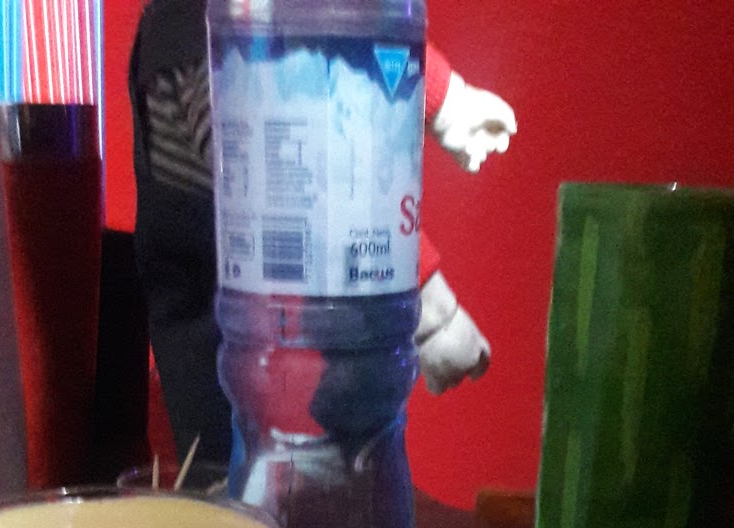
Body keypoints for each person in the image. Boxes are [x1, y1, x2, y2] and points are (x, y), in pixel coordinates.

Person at [129, 0, 516, 462]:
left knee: (340, 464)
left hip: (316, 340)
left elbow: (362, 25)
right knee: (237, 472)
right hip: (224, 350)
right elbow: (294, 193)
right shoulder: (199, 39)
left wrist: (450, 102)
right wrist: (434, 316)